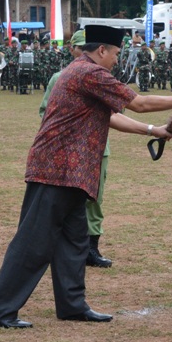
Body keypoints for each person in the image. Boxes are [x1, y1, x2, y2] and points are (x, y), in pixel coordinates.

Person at [0, 25, 172, 328]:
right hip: (58, 170)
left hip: (74, 173)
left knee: (74, 241)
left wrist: (153, 131)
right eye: (115, 53)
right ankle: (0, 308)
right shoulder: (90, 72)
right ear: (101, 50)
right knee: (34, 242)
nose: (117, 60)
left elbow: (111, 116)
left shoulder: (82, 72)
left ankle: (72, 305)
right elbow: (139, 103)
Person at [39, 29, 114, 268]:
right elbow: (46, 113)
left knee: (94, 200)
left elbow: (115, 112)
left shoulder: (102, 77)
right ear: (72, 49)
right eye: (80, 48)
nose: (83, 53)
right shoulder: (60, 77)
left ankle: (91, 248)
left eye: (86, 47)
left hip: (97, 148)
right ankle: (62, 247)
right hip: (67, 150)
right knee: (62, 201)